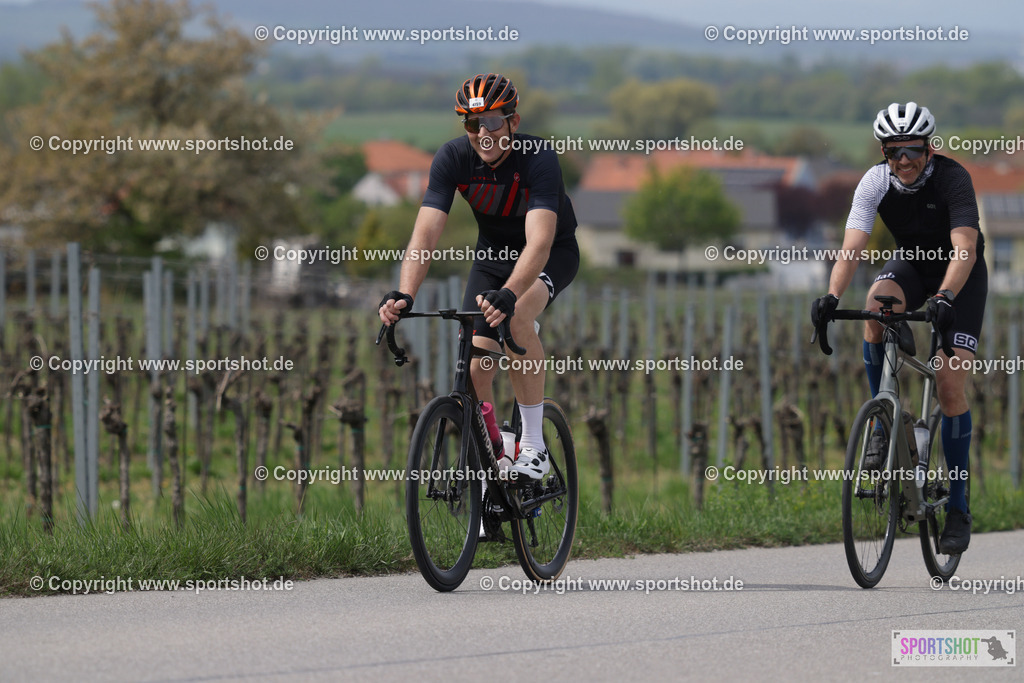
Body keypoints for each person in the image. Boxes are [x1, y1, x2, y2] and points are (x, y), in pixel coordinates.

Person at [378, 73, 579, 481]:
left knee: (518, 315)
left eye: (491, 122)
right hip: (492, 258)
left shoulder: (538, 157)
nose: (482, 134)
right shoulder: (453, 158)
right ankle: (497, 456)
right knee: (474, 368)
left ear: (513, 122)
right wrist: (405, 292)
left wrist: (509, 293)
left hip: (549, 254)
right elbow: (425, 233)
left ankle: (535, 448)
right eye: (472, 124)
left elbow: (539, 242)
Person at [811, 102, 985, 554]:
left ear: (928, 148)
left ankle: (959, 507)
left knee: (949, 386)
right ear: (883, 152)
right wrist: (831, 298)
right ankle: (883, 422)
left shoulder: (952, 178)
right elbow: (851, 247)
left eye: (911, 150)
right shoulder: (875, 182)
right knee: (874, 307)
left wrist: (944, 297)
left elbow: (964, 247)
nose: (903, 160)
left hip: (958, 276)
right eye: (893, 151)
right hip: (911, 266)